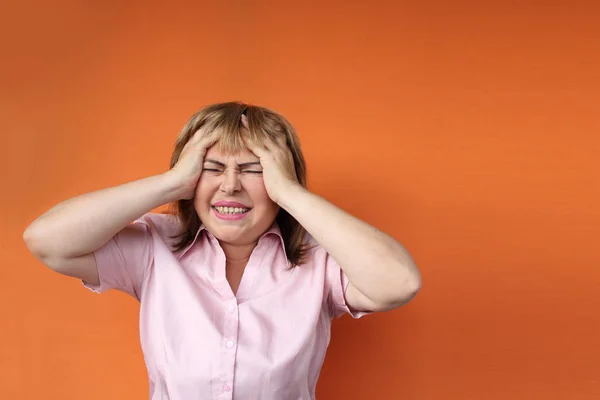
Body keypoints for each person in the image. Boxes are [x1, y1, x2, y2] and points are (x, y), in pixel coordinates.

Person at [23, 101, 422, 400]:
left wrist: (288, 192)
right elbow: (46, 240)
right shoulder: (153, 247)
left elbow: (398, 282)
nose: (230, 186)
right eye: (212, 168)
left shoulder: (319, 259)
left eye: (252, 169)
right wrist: (171, 182)